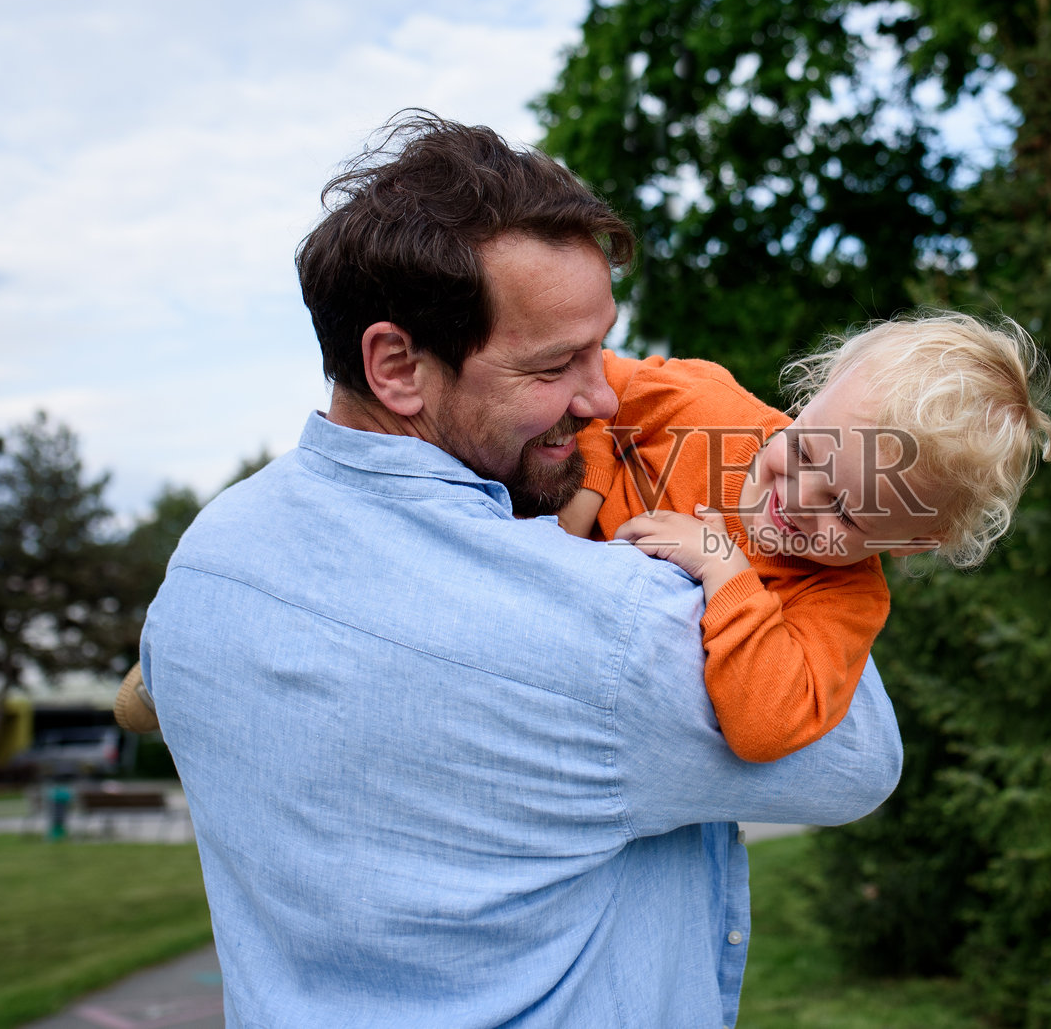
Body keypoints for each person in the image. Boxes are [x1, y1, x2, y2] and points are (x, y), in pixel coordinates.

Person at [138, 111, 903, 1029]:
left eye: (602, 345)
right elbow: (858, 757)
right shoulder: (618, 625)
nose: (605, 396)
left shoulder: (208, 566)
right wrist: (810, 491)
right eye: (555, 364)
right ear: (396, 365)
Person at [557, 312, 1051, 762]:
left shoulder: (842, 599)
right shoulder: (703, 408)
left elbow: (765, 729)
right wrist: (591, 479)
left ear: (914, 540)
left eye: (843, 510)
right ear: (816, 393)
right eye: (803, 451)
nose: (799, 499)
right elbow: (575, 390)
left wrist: (724, 568)